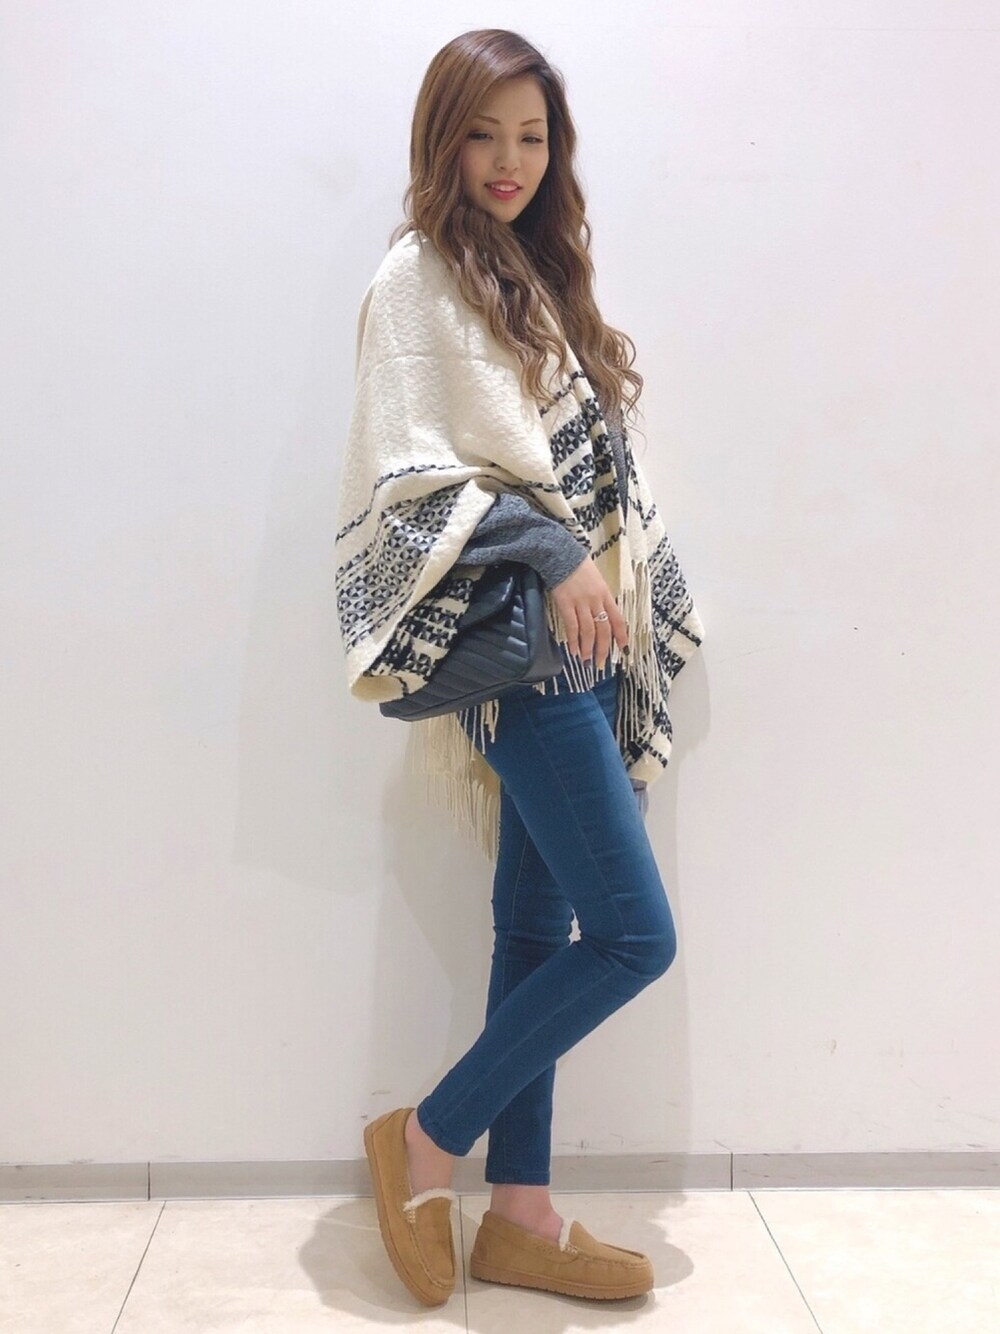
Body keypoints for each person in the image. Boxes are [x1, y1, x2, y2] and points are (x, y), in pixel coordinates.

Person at [334, 28, 705, 1308]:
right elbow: (409, 475)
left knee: (536, 929)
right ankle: (426, 1138)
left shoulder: (531, 273)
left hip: (587, 653)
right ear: (441, 140)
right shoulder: (417, 278)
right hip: (525, 660)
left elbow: (577, 463)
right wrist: (553, 550)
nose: (509, 160)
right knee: (634, 936)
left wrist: (610, 570)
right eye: (483, 134)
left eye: (532, 136)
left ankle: (521, 1211)